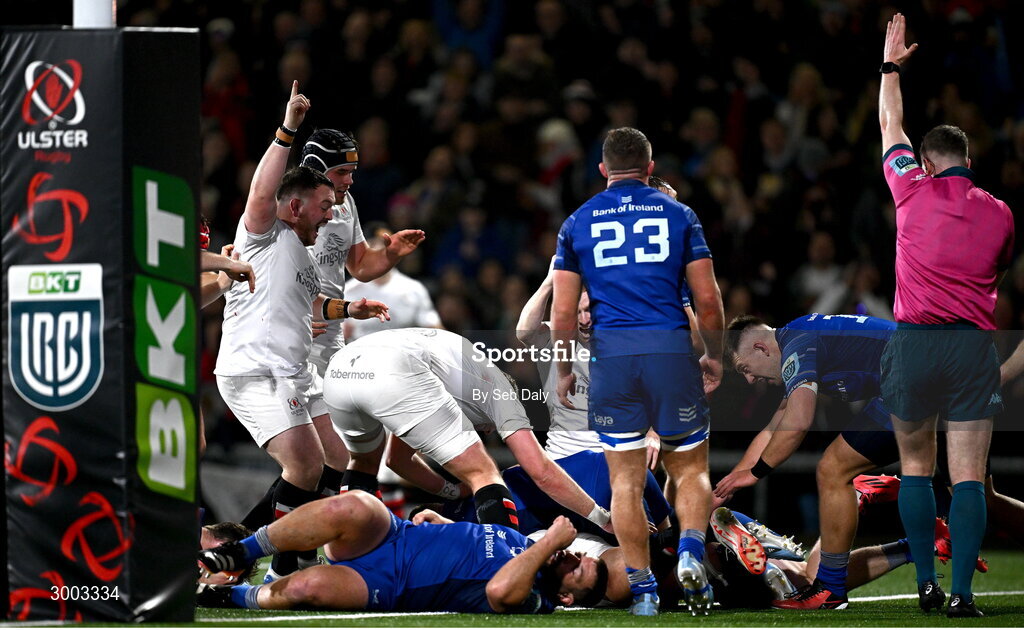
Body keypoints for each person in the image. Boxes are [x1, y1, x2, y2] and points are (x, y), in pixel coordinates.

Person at [214, 83, 389, 581]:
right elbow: (263, 190)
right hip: (254, 372)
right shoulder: (264, 233)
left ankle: (295, 554)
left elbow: (312, 304)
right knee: (308, 466)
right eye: (322, 205)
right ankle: (274, 563)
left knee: (337, 457)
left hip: (293, 373)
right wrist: (288, 127)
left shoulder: (304, 253)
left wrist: (351, 306)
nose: (332, 213)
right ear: (294, 207)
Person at [551, 127, 725, 615]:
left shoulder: (578, 221)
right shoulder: (679, 213)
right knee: (689, 468)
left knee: (625, 481)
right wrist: (713, 354)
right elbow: (707, 300)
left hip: (613, 361)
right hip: (670, 352)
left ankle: (644, 590)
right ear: (650, 168)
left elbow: (564, 314)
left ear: (603, 170)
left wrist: (565, 369)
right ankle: (689, 551)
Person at [878, 14, 1014, 618]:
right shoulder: (1002, 213)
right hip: (970, 348)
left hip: (914, 343)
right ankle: (962, 595)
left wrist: (889, 68)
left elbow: (890, 123)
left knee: (914, 466)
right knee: (967, 476)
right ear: (968, 159)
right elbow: (999, 274)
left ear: (926, 164)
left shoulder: (910, 188)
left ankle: (925, 586)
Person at [322, 327, 614, 534]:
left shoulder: (454, 381)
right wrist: (601, 517)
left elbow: (397, 460)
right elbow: (541, 472)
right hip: (395, 368)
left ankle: (351, 555)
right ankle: (502, 568)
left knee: (362, 462)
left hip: (341, 368)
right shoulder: (504, 397)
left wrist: (453, 491)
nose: (486, 432)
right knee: (484, 472)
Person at [714, 313, 900, 609]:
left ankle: (831, 589)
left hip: (913, 378)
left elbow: (799, 422)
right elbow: (774, 428)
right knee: (976, 489)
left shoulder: (797, 344)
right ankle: (935, 547)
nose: (750, 379)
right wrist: (725, 490)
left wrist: (755, 473)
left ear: (761, 348)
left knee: (832, 469)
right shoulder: (799, 336)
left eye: (745, 369)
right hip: (938, 372)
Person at [197, 492, 604, 613]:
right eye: (578, 555)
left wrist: (552, 541)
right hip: (394, 536)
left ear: (566, 596)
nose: (571, 558)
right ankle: (237, 552)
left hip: (388, 583)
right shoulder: (526, 546)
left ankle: (223, 596)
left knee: (309, 586)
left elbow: (498, 590)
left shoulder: (535, 599)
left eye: (577, 570)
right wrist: (442, 525)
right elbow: (482, 545)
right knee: (351, 505)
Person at [343, 222, 442, 342]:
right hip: (360, 356)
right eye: (374, 243)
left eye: (384, 243)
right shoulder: (348, 291)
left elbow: (435, 329)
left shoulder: (414, 289)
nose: (380, 247)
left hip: (404, 356)